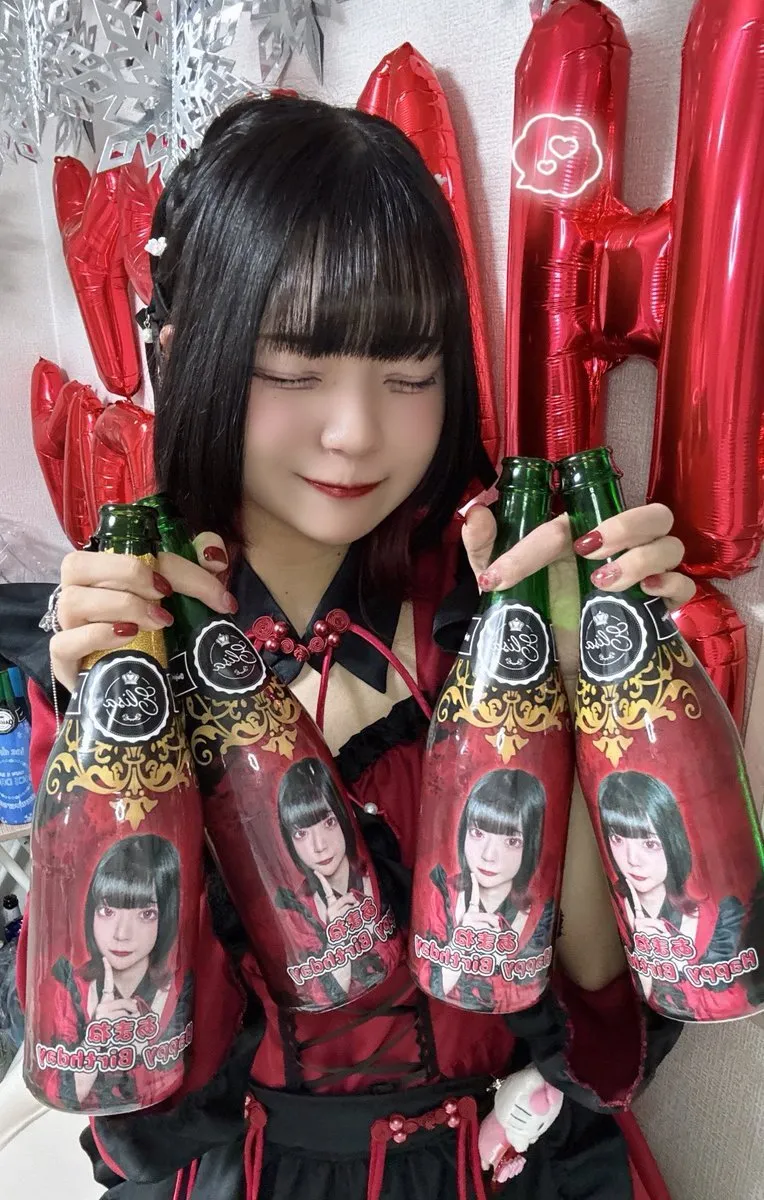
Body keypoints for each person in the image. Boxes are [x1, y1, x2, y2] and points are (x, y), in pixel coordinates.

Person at [16, 95, 695, 1199]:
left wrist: (594, 695)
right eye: (294, 370)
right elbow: (125, 1087)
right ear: (183, 351)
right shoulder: (124, 640)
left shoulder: (497, 601)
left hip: (508, 1163)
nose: (355, 432)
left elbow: (606, 1027)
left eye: (408, 374)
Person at [49, 835, 192, 1109]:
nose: (121, 934)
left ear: (166, 916)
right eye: (107, 911)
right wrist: (95, 1040)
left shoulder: (179, 986)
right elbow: (64, 1094)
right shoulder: (72, 984)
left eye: (146, 914)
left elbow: (171, 1083)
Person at [598, 771, 748, 1021]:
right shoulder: (613, 902)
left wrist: (678, 968)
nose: (632, 860)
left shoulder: (718, 913)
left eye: (649, 843)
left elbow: (733, 998)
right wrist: (646, 965)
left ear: (671, 842)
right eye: (617, 839)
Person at [426, 768, 554, 1009]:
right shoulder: (442, 892)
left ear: (530, 846)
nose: (488, 855)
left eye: (511, 841)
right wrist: (459, 947)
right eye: (477, 833)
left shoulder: (539, 914)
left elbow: (528, 993)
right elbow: (432, 982)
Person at [275, 756, 384, 1004]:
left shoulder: (375, 876)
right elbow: (325, 997)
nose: (319, 846)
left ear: (344, 818)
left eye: (329, 822)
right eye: (301, 834)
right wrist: (338, 942)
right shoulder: (296, 910)